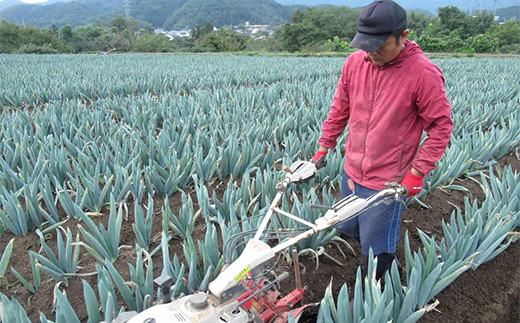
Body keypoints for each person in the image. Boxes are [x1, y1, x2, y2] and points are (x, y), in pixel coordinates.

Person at [311, 0, 453, 281]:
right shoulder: (355, 63)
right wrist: (324, 146)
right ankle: (357, 260)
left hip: (387, 181)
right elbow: (341, 108)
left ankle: (382, 286)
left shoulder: (422, 73)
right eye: (366, 45)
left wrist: (417, 171)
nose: (372, 52)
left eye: (379, 45)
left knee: (378, 246)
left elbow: (441, 127)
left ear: (403, 36)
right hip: (352, 169)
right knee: (348, 225)